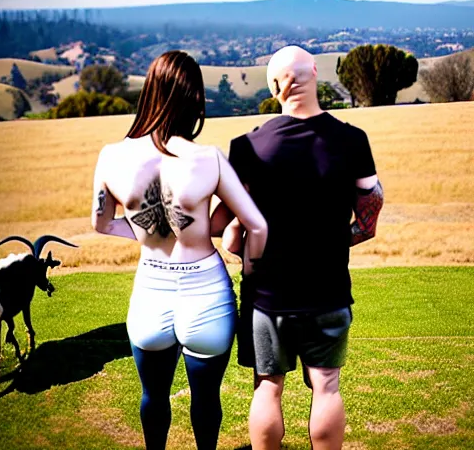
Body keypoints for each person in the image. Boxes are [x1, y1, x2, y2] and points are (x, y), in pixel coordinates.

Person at [91, 50, 267, 450]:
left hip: (150, 290)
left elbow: (100, 223)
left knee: (153, 397)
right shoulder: (208, 159)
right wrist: (251, 278)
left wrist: (142, 230)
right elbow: (255, 224)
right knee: (207, 399)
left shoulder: (111, 156)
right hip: (206, 291)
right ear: (192, 98)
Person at [211, 45, 383, 450]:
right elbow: (370, 212)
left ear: (275, 87)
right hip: (329, 291)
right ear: (316, 76)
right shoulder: (353, 139)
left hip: (267, 295)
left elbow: (229, 224)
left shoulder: (248, 146)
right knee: (326, 387)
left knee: (268, 388)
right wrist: (346, 236)